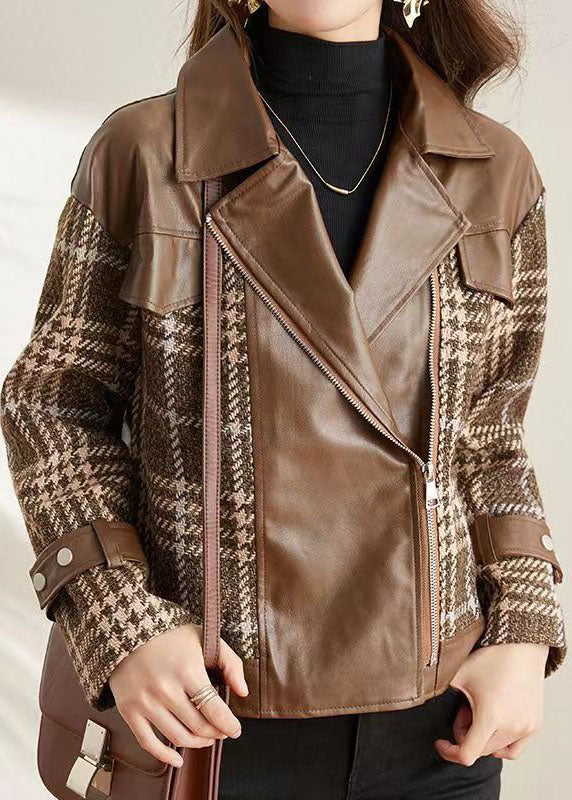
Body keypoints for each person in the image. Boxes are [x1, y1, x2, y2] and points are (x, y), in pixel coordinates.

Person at [1, 1, 566, 798]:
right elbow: (53, 406)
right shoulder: (148, 153)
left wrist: (525, 629)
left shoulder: (495, 173)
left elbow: (490, 439)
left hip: (438, 730)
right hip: (212, 722)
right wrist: (120, 621)